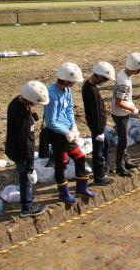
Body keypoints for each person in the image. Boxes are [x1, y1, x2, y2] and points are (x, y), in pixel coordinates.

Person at [44, 62, 95, 204]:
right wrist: (66, 132)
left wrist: (73, 126)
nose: (74, 83)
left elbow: (69, 110)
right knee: (61, 164)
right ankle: (63, 193)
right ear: (65, 79)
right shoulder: (52, 95)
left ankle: (81, 189)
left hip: (67, 133)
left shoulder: (66, 90)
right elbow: (50, 121)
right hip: (57, 135)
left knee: (79, 158)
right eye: (72, 81)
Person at [5, 80, 50, 218]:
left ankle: (28, 204)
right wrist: (30, 164)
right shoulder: (24, 118)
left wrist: (32, 118)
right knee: (26, 178)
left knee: (24, 177)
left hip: (13, 148)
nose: (35, 105)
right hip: (21, 152)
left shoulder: (16, 102)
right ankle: (27, 208)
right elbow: (27, 142)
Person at [111, 53, 140, 177]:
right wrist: (133, 109)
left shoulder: (123, 73)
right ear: (136, 68)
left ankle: (125, 161)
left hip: (122, 112)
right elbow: (119, 102)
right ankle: (120, 167)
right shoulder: (124, 82)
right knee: (124, 140)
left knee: (125, 136)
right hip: (120, 114)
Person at [82, 62, 115, 185]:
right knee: (98, 151)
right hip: (97, 127)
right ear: (100, 76)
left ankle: (105, 169)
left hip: (100, 126)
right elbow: (96, 112)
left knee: (105, 144)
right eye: (105, 79)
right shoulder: (90, 90)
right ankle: (99, 177)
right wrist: (100, 130)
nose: (105, 82)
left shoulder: (91, 86)